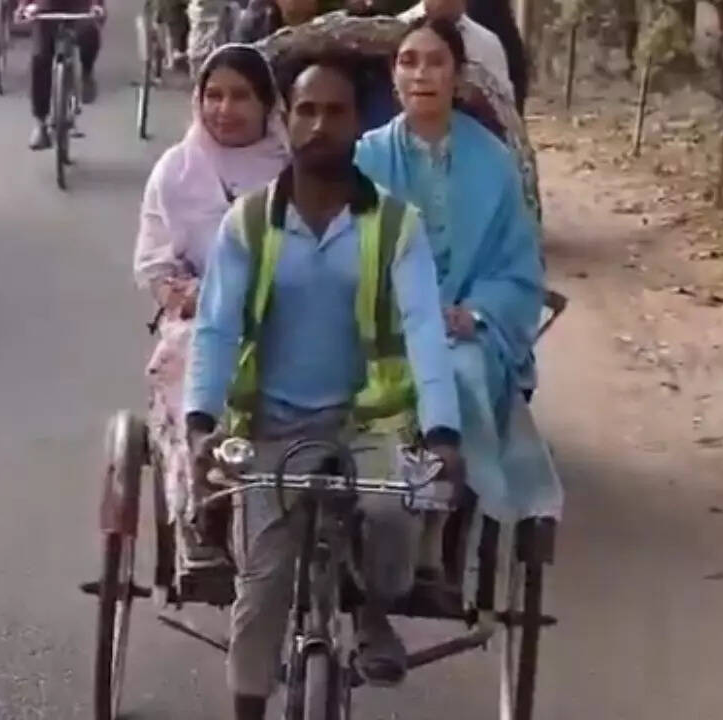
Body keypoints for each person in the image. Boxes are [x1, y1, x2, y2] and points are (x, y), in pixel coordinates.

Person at [183, 55, 463, 720]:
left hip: (370, 423)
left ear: (358, 124)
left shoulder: (397, 226)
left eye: (335, 111)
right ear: (288, 119)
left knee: (394, 520)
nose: (318, 124)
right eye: (305, 110)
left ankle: (373, 612)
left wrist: (445, 432)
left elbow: (426, 328)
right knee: (260, 592)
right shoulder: (248, 224)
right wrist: (201, 420)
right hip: (273, 428)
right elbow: (217, 330)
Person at [356, 17, 551, 527]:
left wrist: (475, 313)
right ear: (393, 76)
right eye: (408, 62)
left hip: (463, 332)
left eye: (436, 62)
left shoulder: (494, 163)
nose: (421, 74)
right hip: (379, 324)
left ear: (458, 77)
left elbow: (518, 269)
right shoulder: (364, 157)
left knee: (458, 373)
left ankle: (439, 517)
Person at [134, 44, 290, 568]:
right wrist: (190, 294)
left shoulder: (296, 173)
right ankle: (206, 509)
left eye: (241, 96)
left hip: (285, 317)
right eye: (213, 95)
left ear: (268, 104)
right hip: (198, 318)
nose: (225, 109)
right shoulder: (175, 171)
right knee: (195, 371)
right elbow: (156, 267)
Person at [17, 0, 106, 150]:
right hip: (45, 8)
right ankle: (41, 123)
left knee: (90, 34)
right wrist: (23, 7)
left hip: (80, 7)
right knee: (40, 58)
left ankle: (86, 72)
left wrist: (97, 5)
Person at [397, 0, 513, 104]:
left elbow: (506, 110)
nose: (421, 74)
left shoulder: (487, 42)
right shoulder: (391, 32)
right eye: (409, 62)